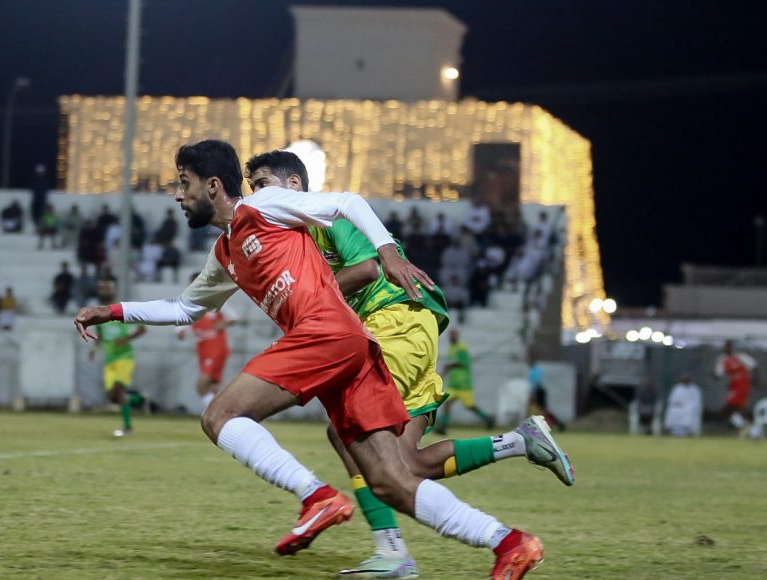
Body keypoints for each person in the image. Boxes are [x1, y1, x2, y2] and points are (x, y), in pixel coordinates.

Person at [75, 140, 546, 578]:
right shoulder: (225, 254)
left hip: (326, 332)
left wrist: (387, 252)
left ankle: (316, 497)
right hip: (353, 346)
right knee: (390, 481)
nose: (178, 196)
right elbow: (184, 308)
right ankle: (509, 542)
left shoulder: (262, 205)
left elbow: (348, 203)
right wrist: (112, 312)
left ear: (212, 185)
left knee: (219, 416)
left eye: (184, 183)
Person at [247, 149, 570, 576]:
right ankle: (519, 441)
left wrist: (310, 301)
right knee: (406, 464)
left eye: (262, 185)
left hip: (393, 322)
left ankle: (392, 551)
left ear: (294, 185)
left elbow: (366, 269)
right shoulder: (295, 239)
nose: (255, 196)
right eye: (251, 188)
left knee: (347, 432)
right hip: (409, 329)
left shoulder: (323, 218)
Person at [88, 276, 147, 437]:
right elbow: (100, 334)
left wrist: (125, 339)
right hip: (109, 359)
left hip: (124, 357)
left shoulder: (122, 310)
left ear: (113, 290)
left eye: (107, 288)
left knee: (118, 391)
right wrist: (94, 347)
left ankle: (128, 428)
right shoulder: (98, 313)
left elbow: (142, 329)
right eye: (102, 289)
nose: (104, 291)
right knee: (112, 397)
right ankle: (140, 400)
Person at [177, 273, 239, 413]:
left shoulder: (215, 299)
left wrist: (223, 323)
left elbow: (233, 318)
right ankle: (224, 412)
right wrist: (180, 333)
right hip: (202, 348)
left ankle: (214, 412)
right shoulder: (188, 304)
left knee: (202, 385)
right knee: (213, 386)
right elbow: (180, 328)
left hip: (217, 346)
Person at [435, 328, 496, 434]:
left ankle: (487, 419)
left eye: (454, 335)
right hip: (454, 384)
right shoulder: (452, 349)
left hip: (464, 384)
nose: (452, 337)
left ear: (457, 336)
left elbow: (464, 363)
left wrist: (449, 366)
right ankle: (443, 427)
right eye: (450, 335)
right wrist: (443, 373)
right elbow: (450, 365)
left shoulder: (462, 348)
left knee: (470, 406)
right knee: (447, 403)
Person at [713, 340, 758, 433]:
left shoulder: (741, 356)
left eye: (728, 346)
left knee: (728, 408)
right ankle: (751, 429)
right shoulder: (722, 359)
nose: (726, 349)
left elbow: (754, 367)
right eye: (725, 347)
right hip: (734, 386)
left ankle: (748, 428)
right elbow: (718, 375)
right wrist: (714, 375)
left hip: (743, 384)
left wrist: (755, 380)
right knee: (736, 409)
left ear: (732, 347)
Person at [527, 353, 566, 431]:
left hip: (538, 391)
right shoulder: (532, 370)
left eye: (529, 359)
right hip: (537, 391)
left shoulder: (535, 370)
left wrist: (533, 394)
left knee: (542, 410)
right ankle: (533, 426)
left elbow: (537, 382)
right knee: (537, 409)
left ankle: (558, 424)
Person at [664, 372, 703, 437]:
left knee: (689, 410)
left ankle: (687, 430)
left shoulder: (694, 389)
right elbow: (672, 400)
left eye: (686, 379)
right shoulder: (677, 388)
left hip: (689, 407)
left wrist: (687, 405)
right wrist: (678, 403)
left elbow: (697, 401)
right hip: (678, 407)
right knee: (672, 410)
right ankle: (672, 430)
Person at [31, 163, 50, 228]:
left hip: (41, 198)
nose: (40, 173)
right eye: (39, 172)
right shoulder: (34, 180)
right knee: (35, 210)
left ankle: (40, 223)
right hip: (37, 198)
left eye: (41, 172)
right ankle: (37, 222)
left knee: (41, 211)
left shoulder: (45, 180)